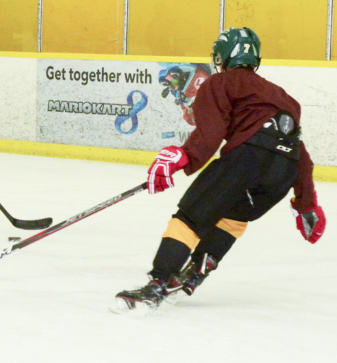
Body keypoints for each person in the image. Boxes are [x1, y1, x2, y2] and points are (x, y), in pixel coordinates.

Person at [111, 27, 326, 315]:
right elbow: (299, 154)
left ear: (223, 55)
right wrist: (306, 202)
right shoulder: (283, 97)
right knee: (234, 217)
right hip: (283, 173)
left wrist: (182, 157)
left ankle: (157, 285)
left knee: (190, 218)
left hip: (247, 159)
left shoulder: (219, 82)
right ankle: (192, 274)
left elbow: (211, 133)